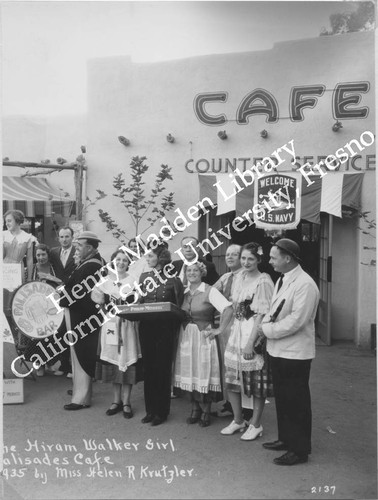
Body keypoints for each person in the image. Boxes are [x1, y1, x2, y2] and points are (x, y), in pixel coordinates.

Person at [257, 238, 319, 466]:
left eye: (273, 257)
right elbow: (274, 310)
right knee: (283, 399)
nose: (270, 261)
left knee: (297, 401)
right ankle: (286, 439)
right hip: (280, 351)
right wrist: (266, 325)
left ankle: (299, 449)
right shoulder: (283, 279)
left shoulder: (306, 284)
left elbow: (297, 321)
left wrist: (267, 330)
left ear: (288, 258)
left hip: (295, 353)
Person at [221, 242, 274, 441]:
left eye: (250, 259)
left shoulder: (263, 281)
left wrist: (251, 342)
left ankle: (256, 424)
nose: (246, 262)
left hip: (253, 331)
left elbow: (262, 315)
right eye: (243, 258)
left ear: (259, 260)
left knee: (256, 381)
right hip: (237, 330)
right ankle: (238, 420)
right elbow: (234, 307)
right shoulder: (239, 277)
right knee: (232, 379)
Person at [173, 261, 234, 427]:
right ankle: (195, 409)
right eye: (189, 271)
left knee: (203, 371)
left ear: (202, 273)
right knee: (189, 369)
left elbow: (228, 309)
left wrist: (219, 329)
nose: (192, 273)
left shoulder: (210, 290)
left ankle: (206, 411)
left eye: (195, 270)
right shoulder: (184, 292)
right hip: (186, 335)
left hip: (203, 336)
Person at [91, 247, 141, 418]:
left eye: (124, 260)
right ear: (113, 261)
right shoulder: (104, 281)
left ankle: (127, 402)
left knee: (126, 361)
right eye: (118, 259)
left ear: (128, 263)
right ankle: (115, 400)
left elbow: (137, 303)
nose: (121, 263)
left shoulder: (134, 281)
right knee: (113, 362)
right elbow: (98, 302)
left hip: (127, 326)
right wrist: (104, 313)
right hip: (111, 326)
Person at [138, 243, 184, 426]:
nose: (147, 259)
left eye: (150, 256)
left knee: (162, 369)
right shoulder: (144, 276)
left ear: (160, 257)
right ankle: (150, 410)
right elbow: (139, 300)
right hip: (147, 326)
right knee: (148, 368)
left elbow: (179, 305)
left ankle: (161, 412)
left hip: (165, 328)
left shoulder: (173, 280)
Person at [59, 230, 105, 410]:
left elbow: (78, 294)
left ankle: (82, 398)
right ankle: (80, 388)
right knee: (79, 354)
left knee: (81, 355)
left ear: (89, 248)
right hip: (84, 314)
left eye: (79, 245)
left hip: (82, 316)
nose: (76, 248)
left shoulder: (90, 266)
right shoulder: (92, 262)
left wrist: (61, 298)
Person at [213, 243, 243, 418]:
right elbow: (210, 293)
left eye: (234, 254)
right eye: (227, 255)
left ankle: (243, 409)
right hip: (225, 326)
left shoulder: (247, 277)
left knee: (239, 367)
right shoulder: (225, 277)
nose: (230, 257)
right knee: (228, 366)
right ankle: (230, 404)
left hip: (240, 326)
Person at [49, 226, 77, 377]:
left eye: (67, 236)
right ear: (58, 238)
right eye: (62, 237)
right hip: (57, 295)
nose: (64, 239)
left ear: (72, 237)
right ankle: (64, 365)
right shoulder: (53, 252)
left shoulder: (77, 252)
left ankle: (74, 367)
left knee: (72, 329)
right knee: (60, 331)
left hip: (74, 294)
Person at [3, 209, 37, 282]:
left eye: (9, 221)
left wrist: (29, 278)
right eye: (6, 221)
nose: (6, 224)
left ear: (17, 221)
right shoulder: (2, 235)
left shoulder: (28, 237)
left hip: (18, 270)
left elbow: (29, 259)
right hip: (3, 269)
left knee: (16, 292)